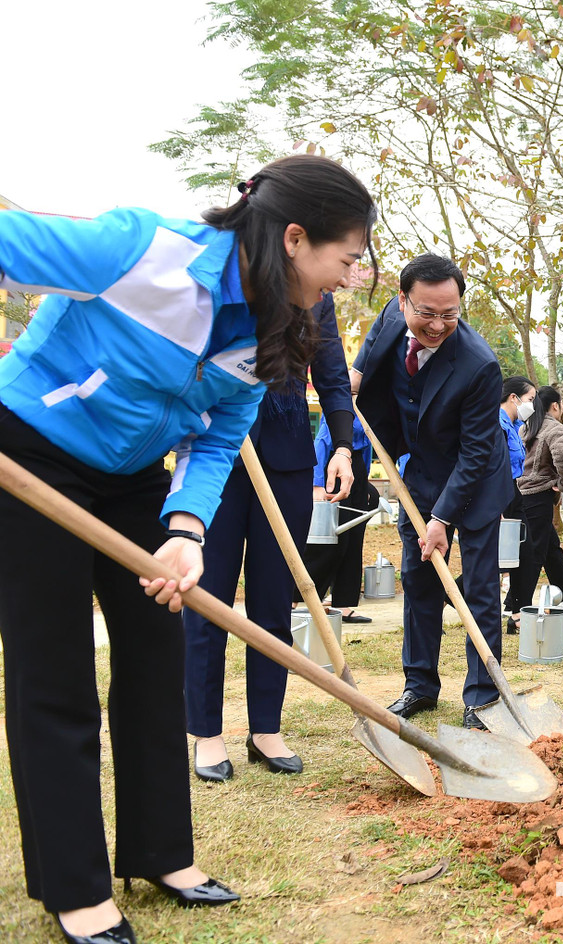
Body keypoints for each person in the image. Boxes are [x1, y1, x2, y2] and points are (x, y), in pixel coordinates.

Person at [0, 154, 376, 944]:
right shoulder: (140, 249)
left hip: (134, 476)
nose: (350, 278)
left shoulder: (277, 323)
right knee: (54, 671)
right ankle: (76, 887)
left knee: (154, 654)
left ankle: (161, 853)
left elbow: (221, 433)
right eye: (346, 259)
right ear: (297, 239)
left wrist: (186, 530)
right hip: (31, 457)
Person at [184, 294, 355, 783]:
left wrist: (342, 447)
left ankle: (265, 728)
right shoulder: (228, 276)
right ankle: (206, 732)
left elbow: (332, 376)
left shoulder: (317, 296)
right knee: (208, 598)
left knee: (275, 600)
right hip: (215, 454)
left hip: (287, 460)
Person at [352, 254, 514, 728]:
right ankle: (419, 685)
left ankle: (482, 698)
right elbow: (371, 350)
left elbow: (475, 453)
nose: (438, 325)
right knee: (419, 580)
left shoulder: (480, 365)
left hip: (477, 478)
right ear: (403, 301)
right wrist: (354, 376)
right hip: (421, 473)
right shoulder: (390, 315)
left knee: (479, 589)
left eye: (450, 314)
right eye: (427, 312)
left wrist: (442, 519)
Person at [299, 411, 379, 622]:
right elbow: (322, 440)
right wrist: (317, 484)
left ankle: (343, 603)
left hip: (357, 470)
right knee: (329, 541)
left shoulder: (368, 406)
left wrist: (364, 482)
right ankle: (295, 598)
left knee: (353, 539)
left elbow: (367, 446)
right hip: (334, 468)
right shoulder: (342, 405)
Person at [509, 386, 563, 620]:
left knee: (545, 546)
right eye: (562, 404)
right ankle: (516, 605)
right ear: (555, 406)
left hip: (521, 493)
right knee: (532, 553)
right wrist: (562, 483)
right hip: (539, 496)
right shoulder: (555, 429)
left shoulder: (526, 427)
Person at [497, 375, 536, 631]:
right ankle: (447, 597)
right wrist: (497, 507)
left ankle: (518, 613)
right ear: (514, 397)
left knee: (525, 553)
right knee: (497, 559)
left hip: (514, 491)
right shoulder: (497, 424)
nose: (531, 405)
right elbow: (494, 466)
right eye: (530, 399)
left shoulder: (514, 425)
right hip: (499, 493)